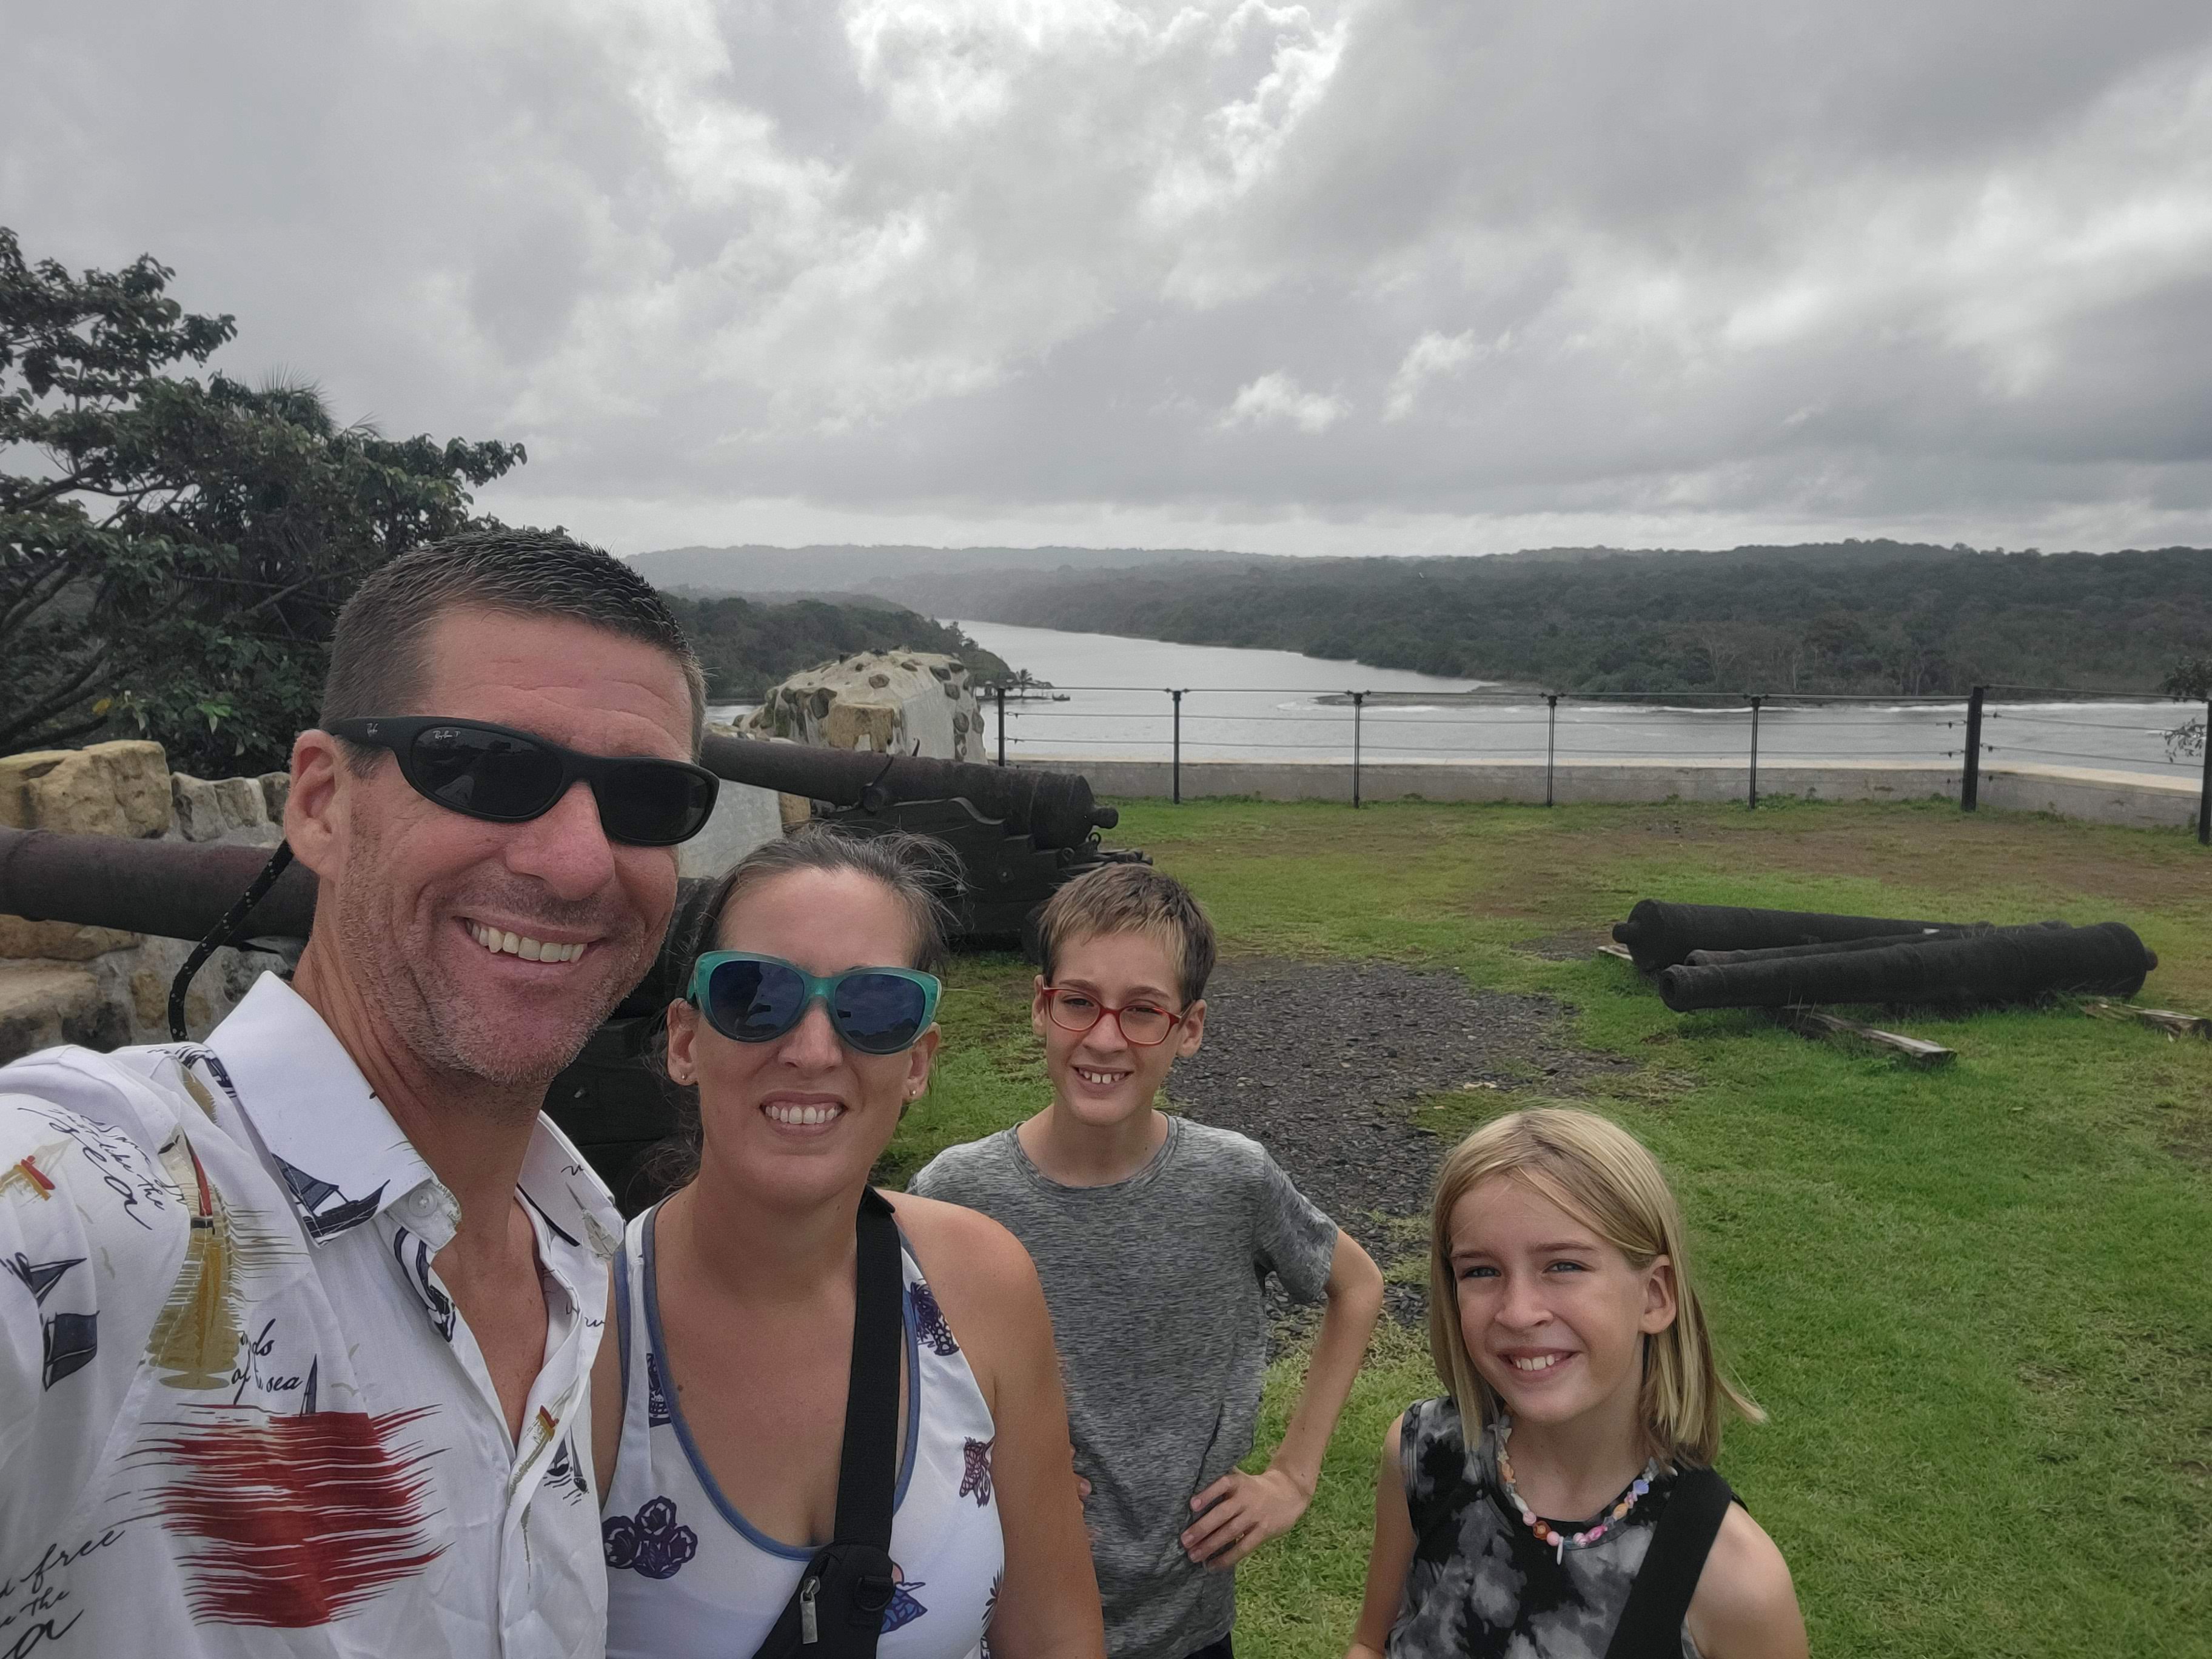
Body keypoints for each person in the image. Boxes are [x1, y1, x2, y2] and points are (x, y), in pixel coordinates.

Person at [0, 528, 717, 1657]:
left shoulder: (583, 1255)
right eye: (487, 768)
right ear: (323, 802)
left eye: (645, 800)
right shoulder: (112, 1194)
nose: (578, 862)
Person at [591, 826, 1105, 1658]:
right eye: (757, 996)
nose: (812, 1049)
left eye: (874, 1008)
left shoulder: (984, 1287)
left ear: (917, 1063)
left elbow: (1055, 1635)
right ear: (686, 1041)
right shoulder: (585, 1335)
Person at [908, 863, 1386, 1659]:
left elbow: (1359, 1285)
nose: (1104, 1038)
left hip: (1187, 1624)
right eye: (1079, 1002)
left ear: (1188, 1029)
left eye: (1142, 1012)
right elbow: (906, 1374)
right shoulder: (955, 1194)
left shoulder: (1234, 1180)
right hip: (1008, 1619)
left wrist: (1294, 1476)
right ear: (1041, 1006)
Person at [1345, 1108, 1807, 1659]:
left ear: (1656, 1295)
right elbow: (1372, 1644)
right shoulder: (1425, 1454)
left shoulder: (1732, 1579)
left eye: (1563, 1266)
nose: (1518, 1312)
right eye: (1481, 1271)